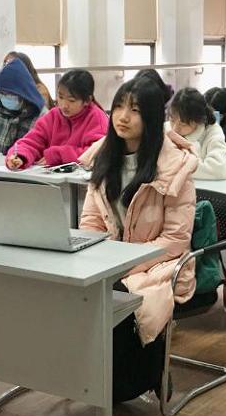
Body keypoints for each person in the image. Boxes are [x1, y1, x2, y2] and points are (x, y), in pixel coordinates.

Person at [79, 76, 198, 358]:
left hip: (159, 264)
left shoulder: (174, 168)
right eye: (119, 106)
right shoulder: (104, 159)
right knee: (75, 291)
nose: (123, 117)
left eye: (135, 110)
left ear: (152, 118)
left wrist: (122, 265)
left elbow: (175, 240)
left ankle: (133, 373)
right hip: (112, 261)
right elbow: (91, 222)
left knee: (116, 296)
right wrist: (95, 258)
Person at [5, 69, 108, 170]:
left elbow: (96, 153)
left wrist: (58, 155)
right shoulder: (53, 116)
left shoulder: (97, 118)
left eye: (71, 100)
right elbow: (32, 141)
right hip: (49, 178)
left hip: (82, 179)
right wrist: (20, 156)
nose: (64, 105)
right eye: (60, 97)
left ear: (87, 100)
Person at [168, 87, 226, 181]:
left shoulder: (212, 132)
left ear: (198, 120)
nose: (175, 128)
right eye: (172, 120)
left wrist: (176, 166)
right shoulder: (166, 128)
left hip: (206, 188)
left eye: (183, 123)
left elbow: (219, 169)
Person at [0, 51, 53, 116]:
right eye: (5, 64)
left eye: (11, 64)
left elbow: (38, 116)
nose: (7, 67)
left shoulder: (40, 91)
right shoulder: (4, 89)